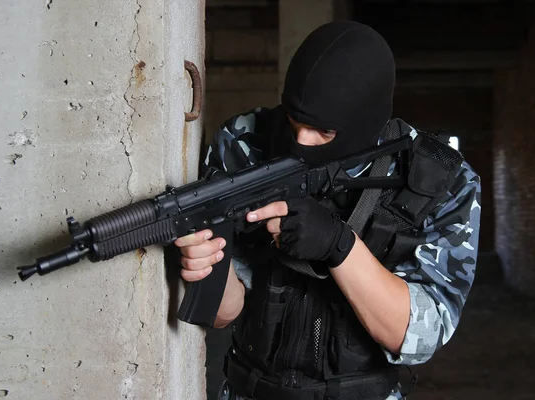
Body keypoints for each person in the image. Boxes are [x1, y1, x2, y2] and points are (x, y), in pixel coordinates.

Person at [175, 21, 481, 400]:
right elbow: (225, 312)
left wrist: (339, 246)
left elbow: (418, 336)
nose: (301, 143)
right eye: (294, 121)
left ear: (366, 122)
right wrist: (208, 262)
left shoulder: (440, 180)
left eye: (324, 132)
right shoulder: (245, 143)